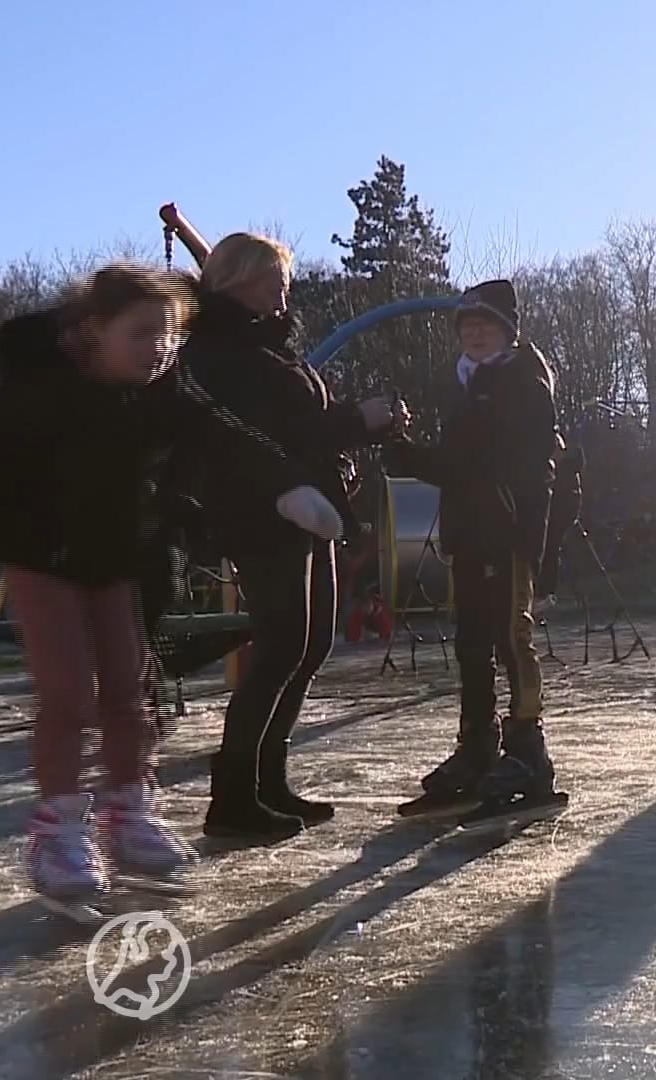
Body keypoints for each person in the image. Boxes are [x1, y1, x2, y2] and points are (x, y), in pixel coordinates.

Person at [0, 265, 339, 917]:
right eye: (142, 333)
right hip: (40, 557)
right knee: (69, 696)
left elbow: (221, 437)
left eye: (168, 335)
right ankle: (57, 832)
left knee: (129, 690)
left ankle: (130, 811)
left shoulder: (161, 393)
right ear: (92, 332)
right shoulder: (38, 393)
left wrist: (288, 487)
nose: (159, 349)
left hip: (113, 558)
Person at [179, 232, 407, 840]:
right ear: (238, 280)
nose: (285, 288)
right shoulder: (220, 350)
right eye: (274, 276)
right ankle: (233, 794)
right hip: (263, 513)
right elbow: (272, 431)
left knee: (308, 648)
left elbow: (303, 428)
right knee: (281, 647)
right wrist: (360, 420)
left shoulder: (269, 345)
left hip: (310, 511)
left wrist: (352, 443)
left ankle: (268, 780)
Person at [387, 279, 568, 825]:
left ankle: (528, 750)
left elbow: (485, 462)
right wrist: (407, 450)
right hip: (469, 534)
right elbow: (458, 462)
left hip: (505, 535)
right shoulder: (470, 383)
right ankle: (477, 746)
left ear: (507, 330)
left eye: (485, 325)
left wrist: (409, 453)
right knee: (471, 643)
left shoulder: (519, 380)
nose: (475, 334)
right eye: (467, 327)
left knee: (510, 639)